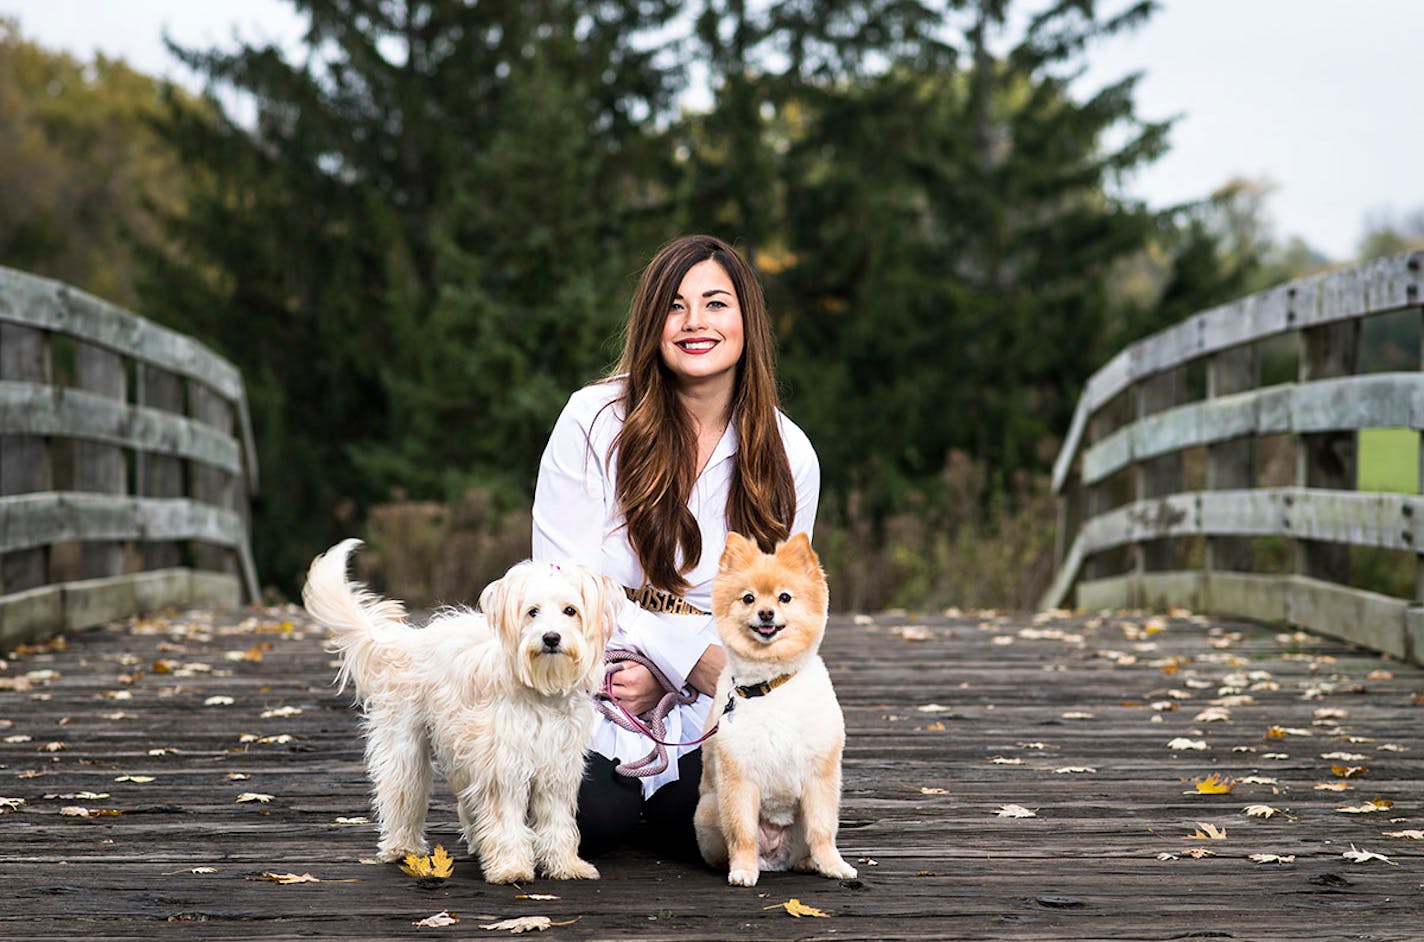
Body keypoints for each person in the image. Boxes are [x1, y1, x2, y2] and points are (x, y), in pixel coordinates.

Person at [531, 234, 820, 858]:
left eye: (715, 304)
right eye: (675, 306)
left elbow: (783, 609)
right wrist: (682, 662)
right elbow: (560, 586)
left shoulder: (788, 454)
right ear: (652, 322)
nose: (694, 323)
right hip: (597, 677)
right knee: (594, 818)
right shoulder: (594, 420)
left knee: (712, 833)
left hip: (719, 696)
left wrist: (688, 675)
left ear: (747, 321)